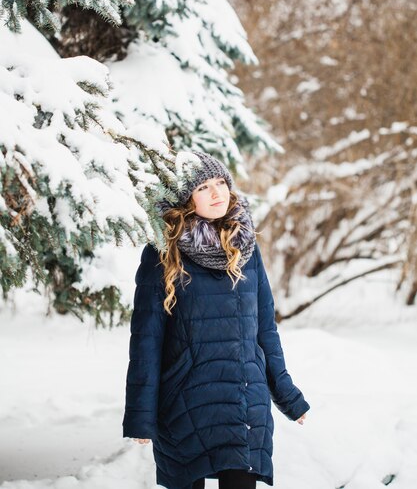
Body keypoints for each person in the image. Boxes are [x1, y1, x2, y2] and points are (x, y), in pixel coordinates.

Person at [122, 151, 310, 489]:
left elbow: (264, 331)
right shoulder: (163, 252)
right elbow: (147, 340)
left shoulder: (246, 249)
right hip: (184, 402)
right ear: (185, 199)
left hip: (243, 401)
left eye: (221, 182)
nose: (217, 193)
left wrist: (288, 396)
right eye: (203, 187)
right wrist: (140, 415)